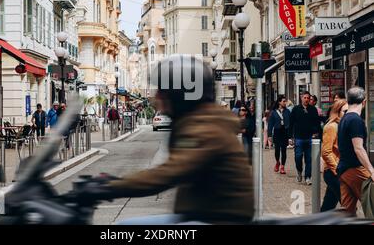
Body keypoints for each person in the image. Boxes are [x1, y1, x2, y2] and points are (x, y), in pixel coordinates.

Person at [77, 55, 254, 224]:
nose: (157, 97)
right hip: (203, 214)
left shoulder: (205, 128)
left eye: (163, 91)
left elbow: (167, 174)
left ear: (180, 94)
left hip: (221, 219)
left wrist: (109, 188)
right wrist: (111, 181)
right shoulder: (199, 120)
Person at [337, 87, 374, 216]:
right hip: (355, 169)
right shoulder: (355, 120)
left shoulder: (344, 119)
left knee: (348, 212)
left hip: (344, 169)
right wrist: (371, 170)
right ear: (364, 102)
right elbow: (358, 148)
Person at [320, 99, 348, 212]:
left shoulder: (342, 125)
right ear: (337, 111)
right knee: (349, 205)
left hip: (338, 171)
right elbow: (326, 151)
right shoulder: (331, 127)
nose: (347, 114)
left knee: (328, 205)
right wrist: (337, 169)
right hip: (333, 172)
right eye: (345, 111)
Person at [289, 91, 321, 185]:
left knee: (309, 159)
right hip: (298, 137)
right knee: (298, 157)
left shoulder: (313, 110)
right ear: (301, 98)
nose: (306, 99)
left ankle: (308, 177)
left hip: (310, 138)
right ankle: (299, 171)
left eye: (308, 98)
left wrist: (316, 133)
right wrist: (290, 137)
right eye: (305, 98)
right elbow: (291, 124)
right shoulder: (295, 109)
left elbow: (317, 123)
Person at [268, 95, 291, 175]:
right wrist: (269, 135)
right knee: (277, 150)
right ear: (279, 102)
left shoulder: (287, 111)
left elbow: (290, 123)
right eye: (284, 101)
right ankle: (277, 162)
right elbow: (270, 124)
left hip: (285, 132)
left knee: (284, 150)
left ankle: (282, 166)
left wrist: (290, 136)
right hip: (277, 132)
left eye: (285, 101)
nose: (285, 103)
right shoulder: (273, 112)